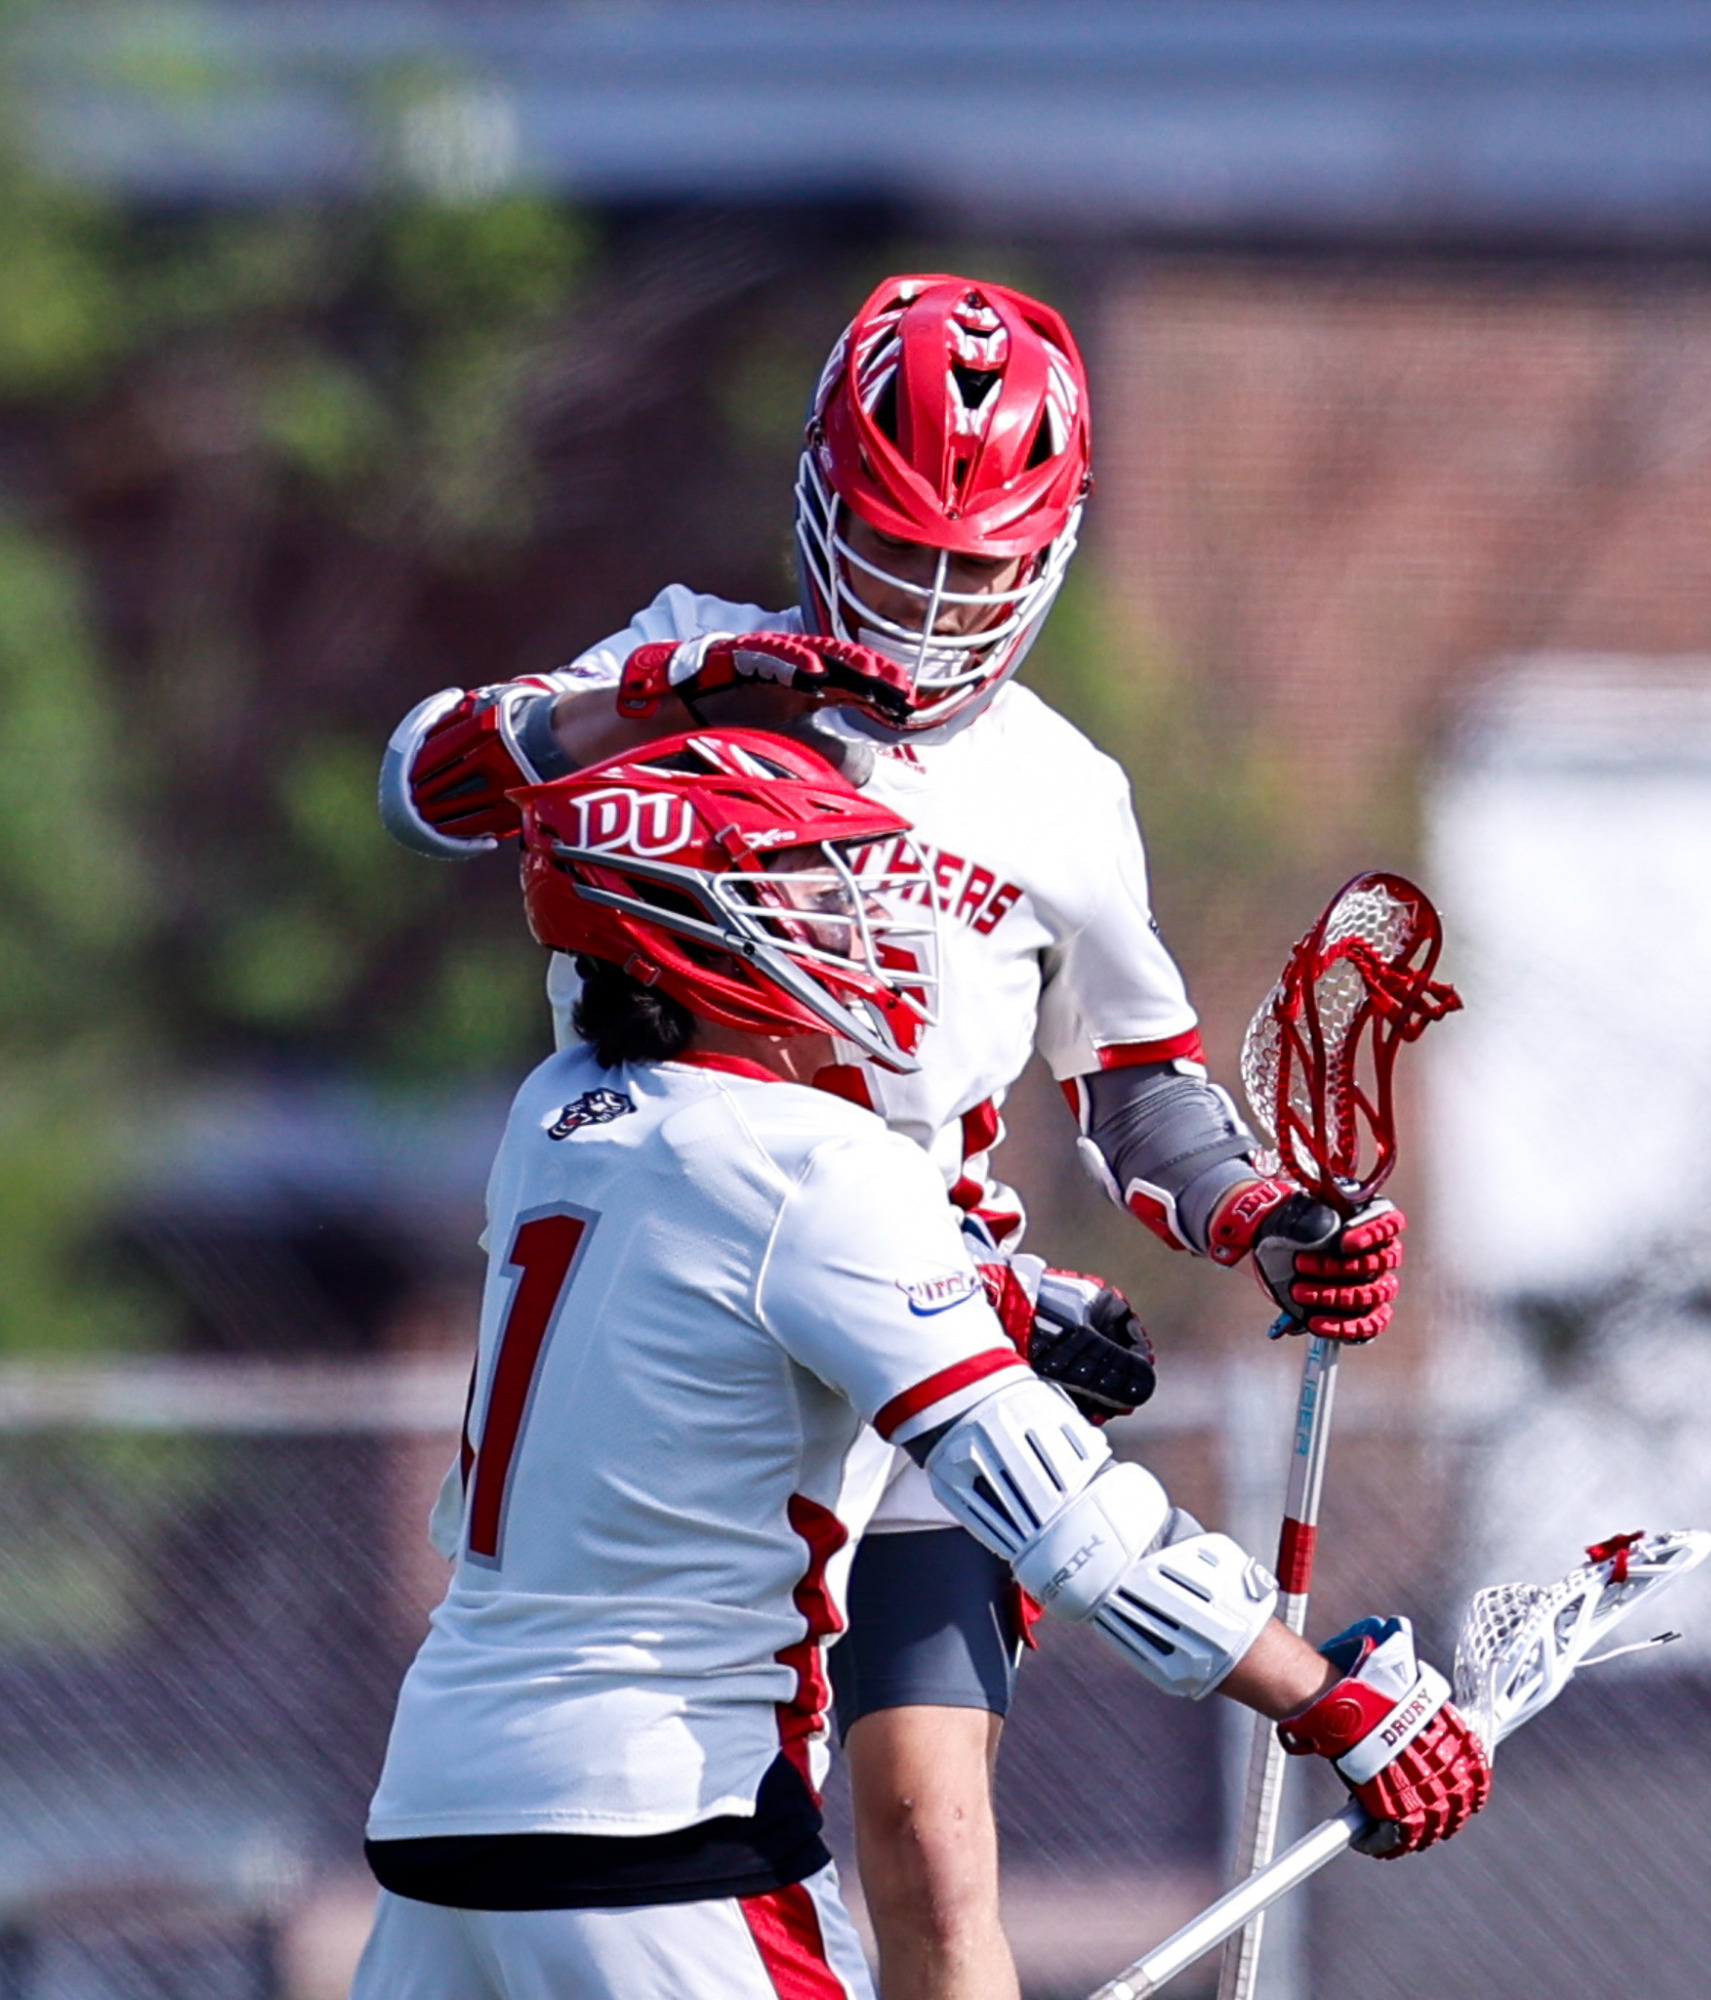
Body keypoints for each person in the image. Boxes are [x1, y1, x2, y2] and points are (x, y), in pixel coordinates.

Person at [377, 273, 1406, 1999]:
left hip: (922, 1338)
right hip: (690, 1329)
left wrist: (1257, 1216)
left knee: (927, 1840)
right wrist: (672, 690)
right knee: (668, 1767)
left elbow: (1131, 1079)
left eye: (970, 570)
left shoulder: (1059, 792)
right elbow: (431, 783)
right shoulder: (688, 654)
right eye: (889, 550)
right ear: (814, 503)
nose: (924, 612)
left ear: (1049, 555)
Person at [351, 731, 1488, 2000]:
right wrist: (1329, 1697)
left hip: (439, 1815)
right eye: (803, 884)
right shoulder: (822, 1164)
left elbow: (715, 1266)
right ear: (687, 932)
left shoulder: (555, 1116)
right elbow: (1061, 1513)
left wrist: (994, 1288)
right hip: (663, 1840)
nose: (861, 918)